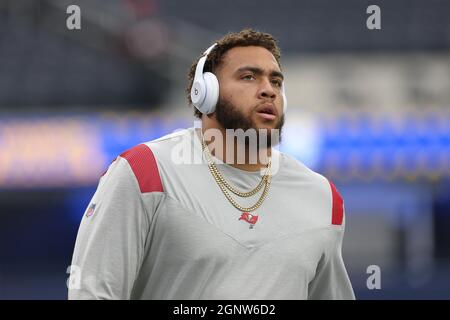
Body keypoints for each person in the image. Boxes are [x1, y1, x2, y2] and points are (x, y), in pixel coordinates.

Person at [68, 29, 355, 300]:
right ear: (205, 93)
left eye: (276, 82)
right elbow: (94, 292)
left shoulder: (322, 197)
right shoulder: (146, 171)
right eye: (249, 77)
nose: (268, 90)